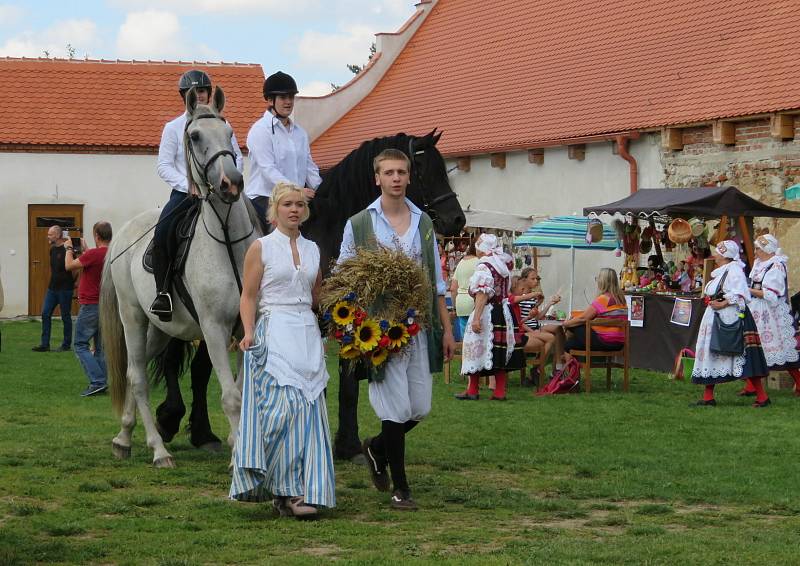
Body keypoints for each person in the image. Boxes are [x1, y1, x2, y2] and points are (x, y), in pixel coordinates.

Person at [339, 148, 455, 511]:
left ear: (408, 177)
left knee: (419, 408)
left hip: (419, 326)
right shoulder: (360, 223)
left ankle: (376, 447)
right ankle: (401, 488)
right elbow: (344, 274)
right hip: (381, 329)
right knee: (394, 408)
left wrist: (448, 330)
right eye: (388, 172)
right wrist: (355, 323)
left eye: (401, 172)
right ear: (377, 178)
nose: (395, 178)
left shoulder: (423, 222)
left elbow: (437, 281)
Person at [230, 182, 334, 520]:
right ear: (274, 210)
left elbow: (317, 296)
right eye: (287, 204)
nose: (294, 210)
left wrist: (342, 316)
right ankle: (281, 486)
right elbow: (248, 296)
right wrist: (247, 332)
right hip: (274, 328)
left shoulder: (314, 249)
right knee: (282, 411)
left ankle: (301, 491)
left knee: (309, 410)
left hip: (306, 331)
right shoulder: (261, 247)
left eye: (299, 205)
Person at [150, 70, 244, 321]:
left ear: (209, 94)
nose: (200, 95)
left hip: (221, 193)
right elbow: (164, 165)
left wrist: (231, 180)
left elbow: (236, 157)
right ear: (186, 98)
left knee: (256, 224)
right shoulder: (172, 128)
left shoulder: (222, 123)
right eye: (195, 92)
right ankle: (163, 293)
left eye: (203, 91)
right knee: (162, 232)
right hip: (186, 193)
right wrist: (187, 184)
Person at [690, 241, 769, 407]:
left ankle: (762, 397)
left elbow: (742, 294)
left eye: (717, 252)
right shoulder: (722, 271)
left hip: (729, 319)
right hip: (716, 317)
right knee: (711, 354)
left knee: (743, 357)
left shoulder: (734, 270)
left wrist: (723, 303)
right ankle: (707, 397)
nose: (715, 255)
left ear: (725, 255)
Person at [245, 71, 321, 233]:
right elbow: (268, 170)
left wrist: (322, 190)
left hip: (297, 198)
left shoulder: (300, 133)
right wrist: (298, 190)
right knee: (279, 236)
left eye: (291, 97)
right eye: (283, 97)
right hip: (266, 197)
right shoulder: (260, 131)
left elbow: (309, 167)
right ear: (270, 100)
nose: (288, 102)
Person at [456, 233, 526, 401]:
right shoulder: (501, 264)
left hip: (487, 311)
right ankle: (499, 391)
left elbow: (482, 293)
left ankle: (473, 390)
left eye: (479, 245)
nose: (477, 248)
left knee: (475, 347)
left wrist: (476, 317)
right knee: (497, 350)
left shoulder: (484, 266)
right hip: (502, 312)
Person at [739, 234, 800, 397]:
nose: (756, 251)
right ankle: (751, 385)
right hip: (757, 309)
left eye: (758, 248)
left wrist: (746, 290)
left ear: (768, 249)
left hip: (772, 312)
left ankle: (799, 382)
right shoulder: (760, 264)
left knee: (782, 348)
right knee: (752, 347)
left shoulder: (776, 266)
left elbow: (770, 294)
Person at [64, 222, 111, 396]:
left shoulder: (93, 254)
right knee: (100, 347)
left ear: (97, 235)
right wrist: (86, 250)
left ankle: (97, 381)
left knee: (80, 345)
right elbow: (94, 261)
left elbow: (69, 266)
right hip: (106, 305)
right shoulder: (111, 253)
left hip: (91, 305)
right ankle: (101, 382)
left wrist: (69, 248)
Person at [555, 268, 628, 367]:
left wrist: (566, 323)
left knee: (575, 325)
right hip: (618, 343)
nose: (597, 281)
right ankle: (566, 366)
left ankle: (569, 375)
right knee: (569, 345)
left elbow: (583, 318)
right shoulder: (622, 300)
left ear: (603, 281)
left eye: (598, 278)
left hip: (604, 341)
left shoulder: (603, 299)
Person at [32, 225, 74, 352]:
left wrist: (75, 283)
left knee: (65, 316)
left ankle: (66, 345)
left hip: (65, 289)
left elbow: (76, 268)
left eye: (50, 234)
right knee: (45, 313)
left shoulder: (68, 249)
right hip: (52, 288)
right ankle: (45, 344)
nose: (48, 237)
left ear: (57, 235)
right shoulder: (52, 250)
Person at [449, 241, 479, 342]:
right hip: (475, 301)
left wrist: (454, 308)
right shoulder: (480, 261)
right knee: (477, 338)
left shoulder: (461, 263)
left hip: (461, 302)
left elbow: (453, 288)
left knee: (465, 338)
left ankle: (465, 355)